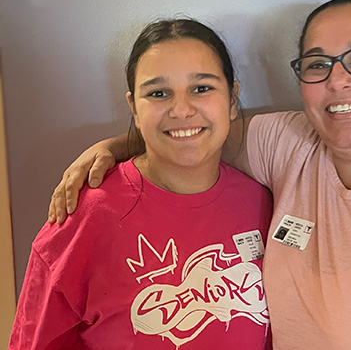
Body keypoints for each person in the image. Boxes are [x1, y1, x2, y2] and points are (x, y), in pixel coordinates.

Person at [48, 0, 351, 350]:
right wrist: (116, 145)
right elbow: (194, 132)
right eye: (317, 64)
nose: (339, 79)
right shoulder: (287, 143)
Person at [10, 19, 273, 350]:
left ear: (233, 99)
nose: (181, 109)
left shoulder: (262, 201)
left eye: (202, 88)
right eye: (158, 93)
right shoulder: (83, 215)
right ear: (134, 107)